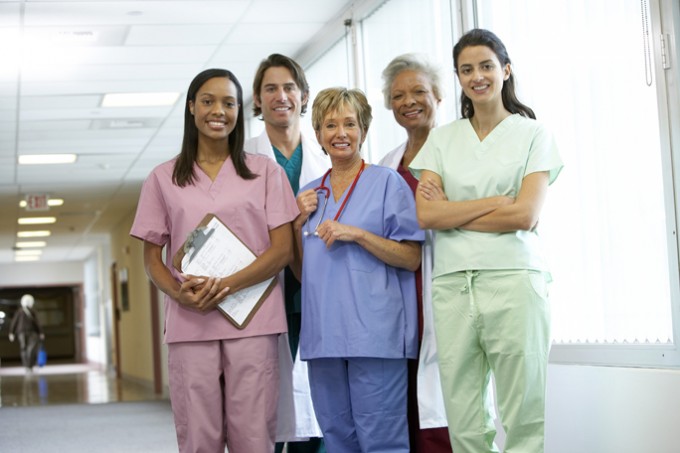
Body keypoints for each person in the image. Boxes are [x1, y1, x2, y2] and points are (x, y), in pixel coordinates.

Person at [409, 28, 563, 453]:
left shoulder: (534, 134)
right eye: (466, 69)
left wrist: (454, 214)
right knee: (465, 422)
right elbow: (427, 215)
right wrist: (496, 203)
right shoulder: (441, 140)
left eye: (486, 66)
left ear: (506, 70)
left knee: (523, 416)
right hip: (454, 286)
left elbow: (525, 214)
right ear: (458, 78)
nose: (477, 76)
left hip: (515, 282)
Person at [130, 68, 298, 453]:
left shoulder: (265, 172)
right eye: (208, 101)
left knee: (254, 434)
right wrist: (179, 293)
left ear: (240, 110)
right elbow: (152, 257)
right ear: (191, 108)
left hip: (252, 318)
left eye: (229, 102)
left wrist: (228, 285)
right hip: (191, 320)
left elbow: (282, 250)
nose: (218, 110)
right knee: (198, 434)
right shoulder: (163, 178)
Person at [293, 87, 424, 452]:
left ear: (363, 130)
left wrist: (358, 234)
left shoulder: (386, 183)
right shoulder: (309, 196)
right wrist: (294, 221)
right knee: (336, 440)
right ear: (318, 134)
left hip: (375, 336)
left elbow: (411, 257)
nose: (340, 133)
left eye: (350, 123)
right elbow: (303, 271)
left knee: (382, 441)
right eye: (330, 124)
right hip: (324, 338)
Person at [245, 53, 329, 453]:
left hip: (318, 293)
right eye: (270, 89)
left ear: (304, 95)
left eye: (289, 87)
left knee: (318, 408)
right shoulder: (239, 161)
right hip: (265, 294)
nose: (281, 96)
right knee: (266, 411)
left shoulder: (330, 158)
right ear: (257, 101)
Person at [379, 53, 453, 453]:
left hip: (446, 287)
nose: (409, 101)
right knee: (405, 404)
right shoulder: (388, 167)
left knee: (448, 409)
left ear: (438, 96)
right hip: (401, 297)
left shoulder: (459, 152)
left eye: (419, 91)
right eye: (398, 95)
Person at [9, 294, 44, 372]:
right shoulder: (30, 311)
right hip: (31, 332)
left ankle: (27, 366)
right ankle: (29, 366)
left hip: (22, 333)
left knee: (24, 349)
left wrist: (11, 333)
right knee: (30, 349)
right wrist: (41, 332)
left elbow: (14, 322)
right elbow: (37, 323)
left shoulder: (20, 311)